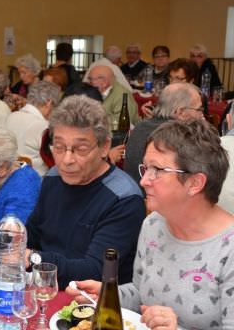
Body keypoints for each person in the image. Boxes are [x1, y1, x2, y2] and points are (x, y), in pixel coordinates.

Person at [68, 119, 234, 330]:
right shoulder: (153, 224)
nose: (144, 180)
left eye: (157, 170)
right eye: (146, 168)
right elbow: (142, 294)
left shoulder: (229, 249)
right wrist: (109, 294)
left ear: (195, 183)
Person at [0, 95, 145, 288]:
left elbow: (95, 270)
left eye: (80, 149)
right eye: (59, 147)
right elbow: (34, 235)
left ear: (104, 147)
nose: (66, 160)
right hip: (43, 287)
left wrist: (34, 258)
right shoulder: (54, 177)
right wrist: (3, 237)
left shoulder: (124, 198)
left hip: (89, 303)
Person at [124, 83, 204, 184]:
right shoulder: (179, 136)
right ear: (180, 112)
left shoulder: (141, 126)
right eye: (198, 109)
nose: (201, 115)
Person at [6, 81, 60, 176]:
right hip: (35, 180)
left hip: (8, 175)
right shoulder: (44, 127)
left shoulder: (11, 116)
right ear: (49, 103)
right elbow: (56, 161)